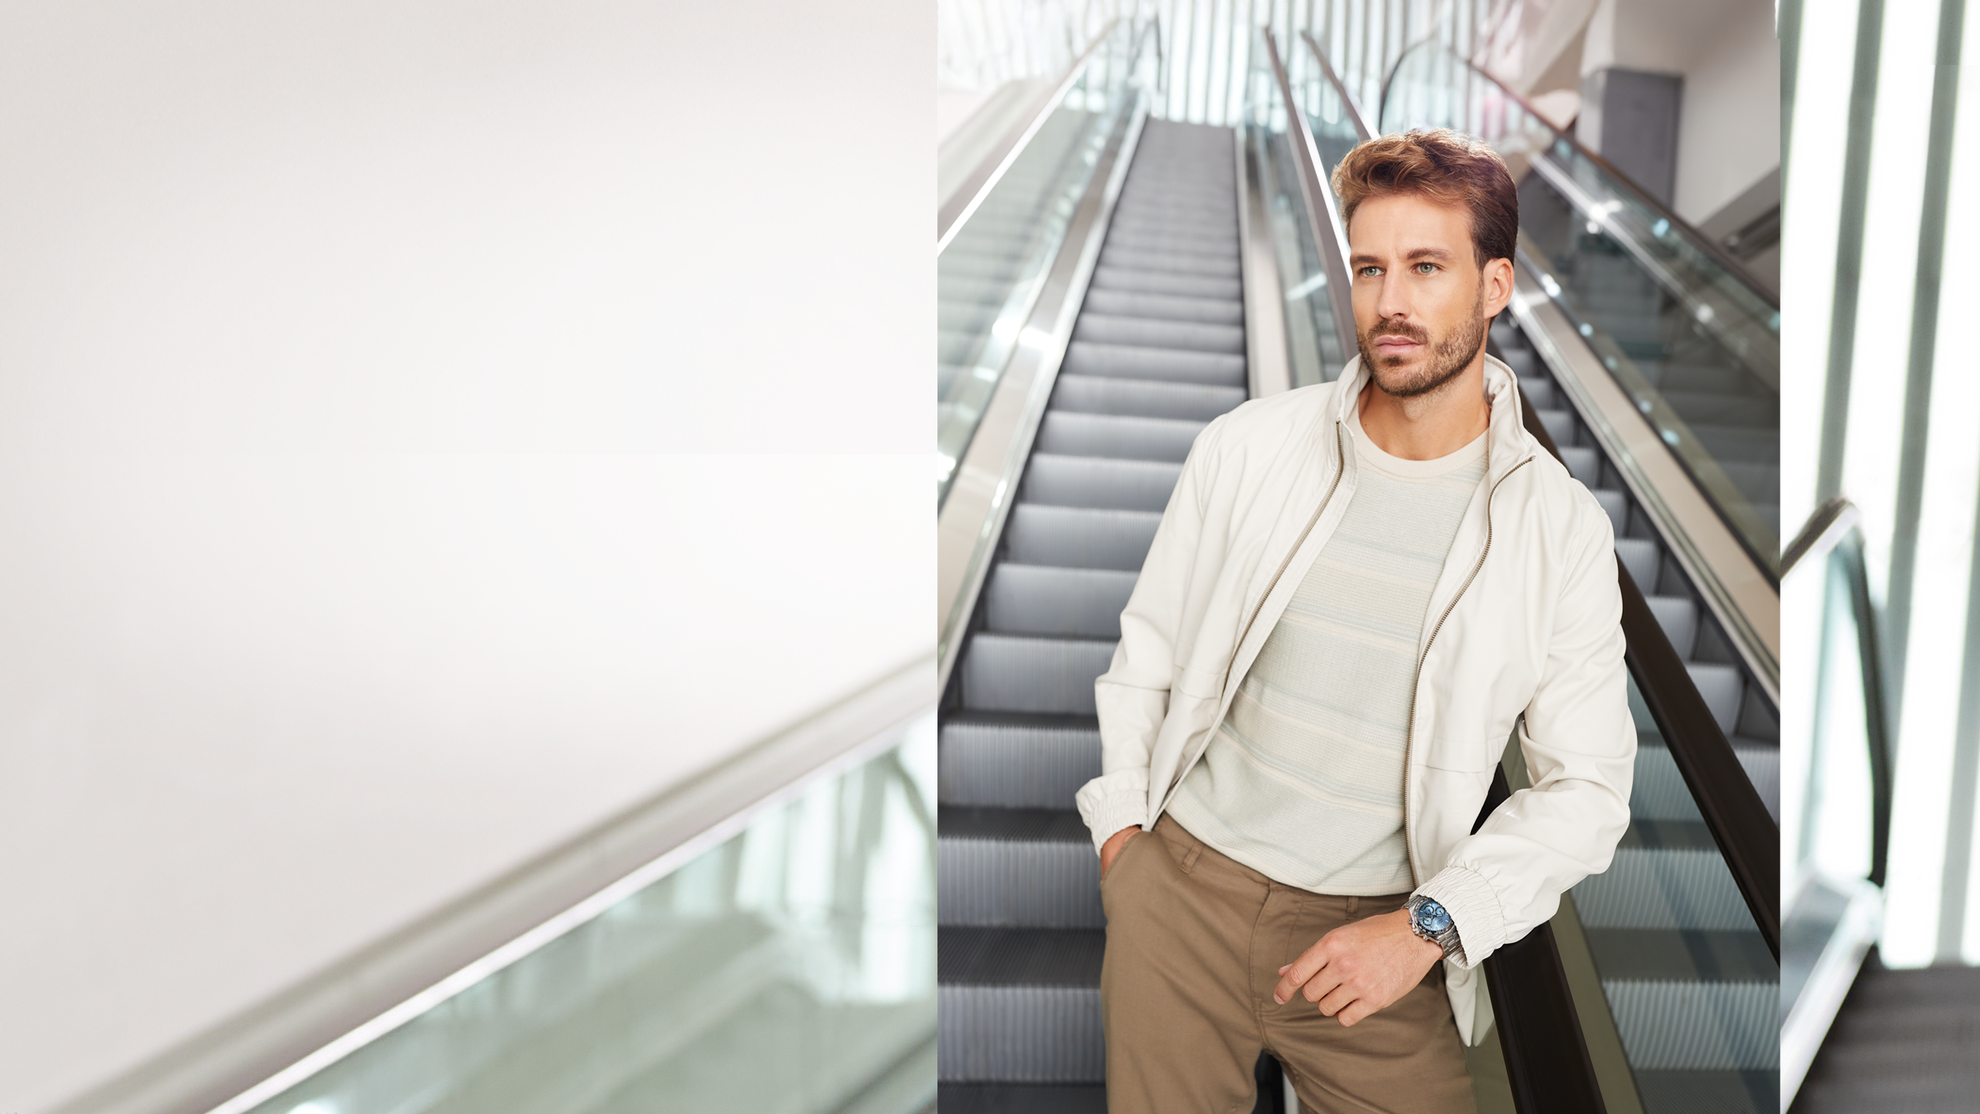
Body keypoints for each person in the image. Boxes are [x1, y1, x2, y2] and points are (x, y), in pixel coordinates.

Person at [1075, 128, 1636, 1113]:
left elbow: (1587, 787)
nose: (1391, 303)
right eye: (1371, 267)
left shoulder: (1561, 530)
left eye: (1427, 267)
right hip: (1183, 896)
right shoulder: (1247, 449)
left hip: (1377, 933)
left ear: (1495, 286)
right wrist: (1127, 840)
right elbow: (1149, 651)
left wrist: (1428, 925)